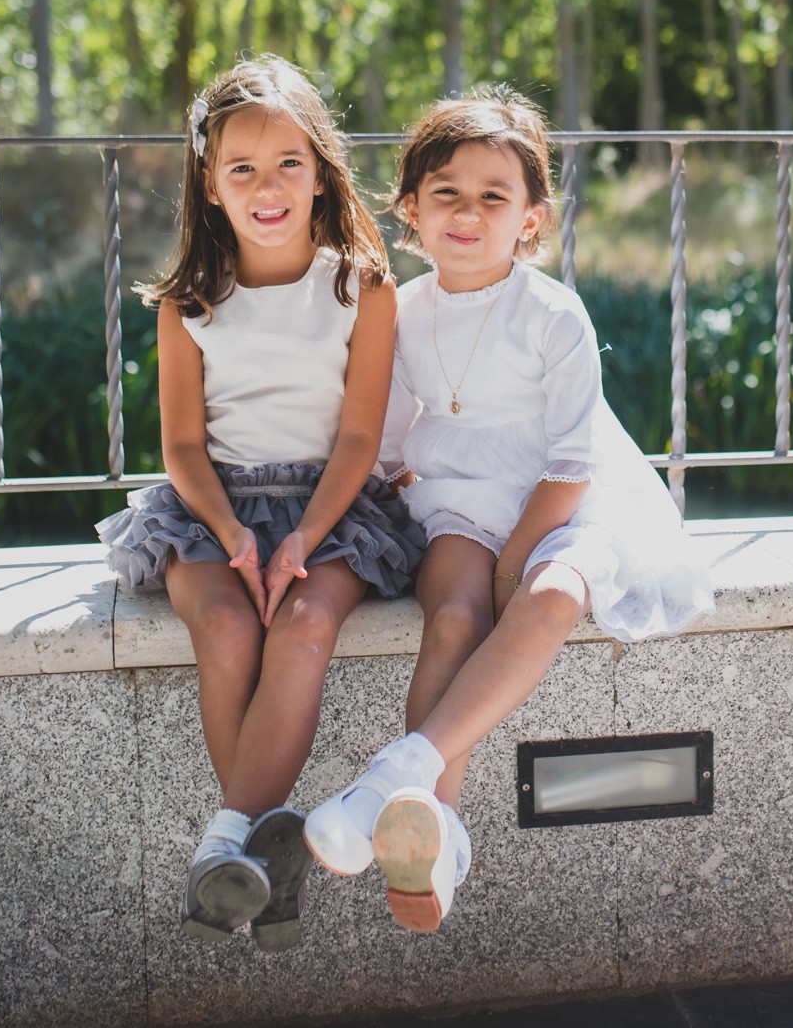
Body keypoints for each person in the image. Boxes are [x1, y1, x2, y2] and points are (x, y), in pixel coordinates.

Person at [303, 87, 714, 932]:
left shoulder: (552, 313)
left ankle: (399, 775)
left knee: (554, 593)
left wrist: (514, 560)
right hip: (458, 504)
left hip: (566, 505)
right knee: (453, 614)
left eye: (495, 196)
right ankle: (437, 832)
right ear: (411, 208)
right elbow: (381, 436)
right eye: (446, 193)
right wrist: (380, 492)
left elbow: (569, 468)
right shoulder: (404, 312)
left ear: (530, 216)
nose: (468, 212)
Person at [96, 56, 422, 950]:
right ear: (209, 182)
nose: (266, 186)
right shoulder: (189, 302)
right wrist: (236, 534)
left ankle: (225, 848)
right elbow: (183, 447)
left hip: (330, 506)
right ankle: (258, 861)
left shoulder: (362, 285)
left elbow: (359, 440)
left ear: (321, 171)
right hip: (211, 508)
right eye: (241, 167)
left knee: (305, 624)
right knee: (233, 628)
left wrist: (300, 539)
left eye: (288, 163)